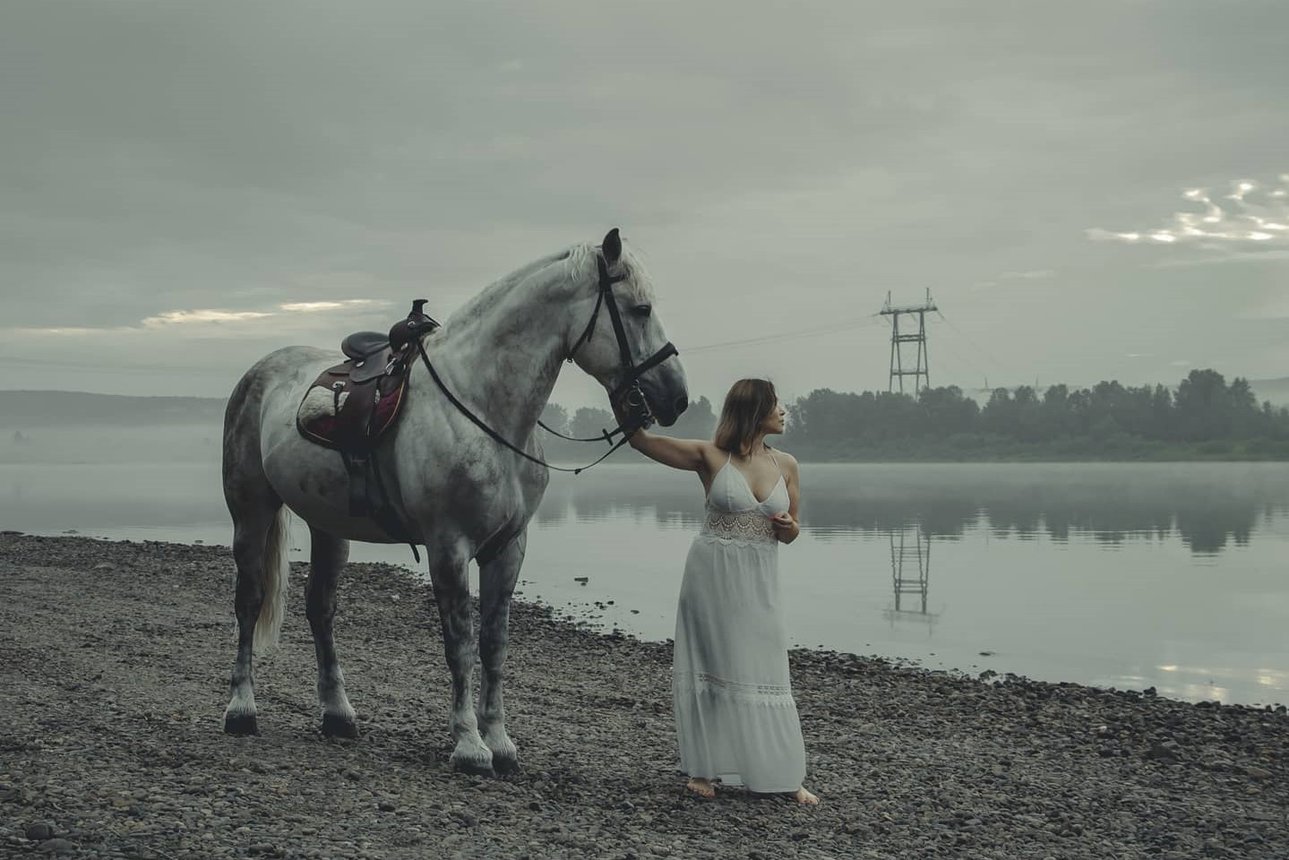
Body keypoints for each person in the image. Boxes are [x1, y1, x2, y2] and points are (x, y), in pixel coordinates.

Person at [623, 378, 818, 804]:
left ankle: (783, 774)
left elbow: (793, 531)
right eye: (775, 404)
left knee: (765, 666)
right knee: (713, 667)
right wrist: (626, 396)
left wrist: (789, 528)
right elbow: (641, 441)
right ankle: (704, 770)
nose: (784, 410)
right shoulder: (708, 456)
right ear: (752, 411)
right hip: (710, 575)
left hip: (758, 579)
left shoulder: (787, 464)